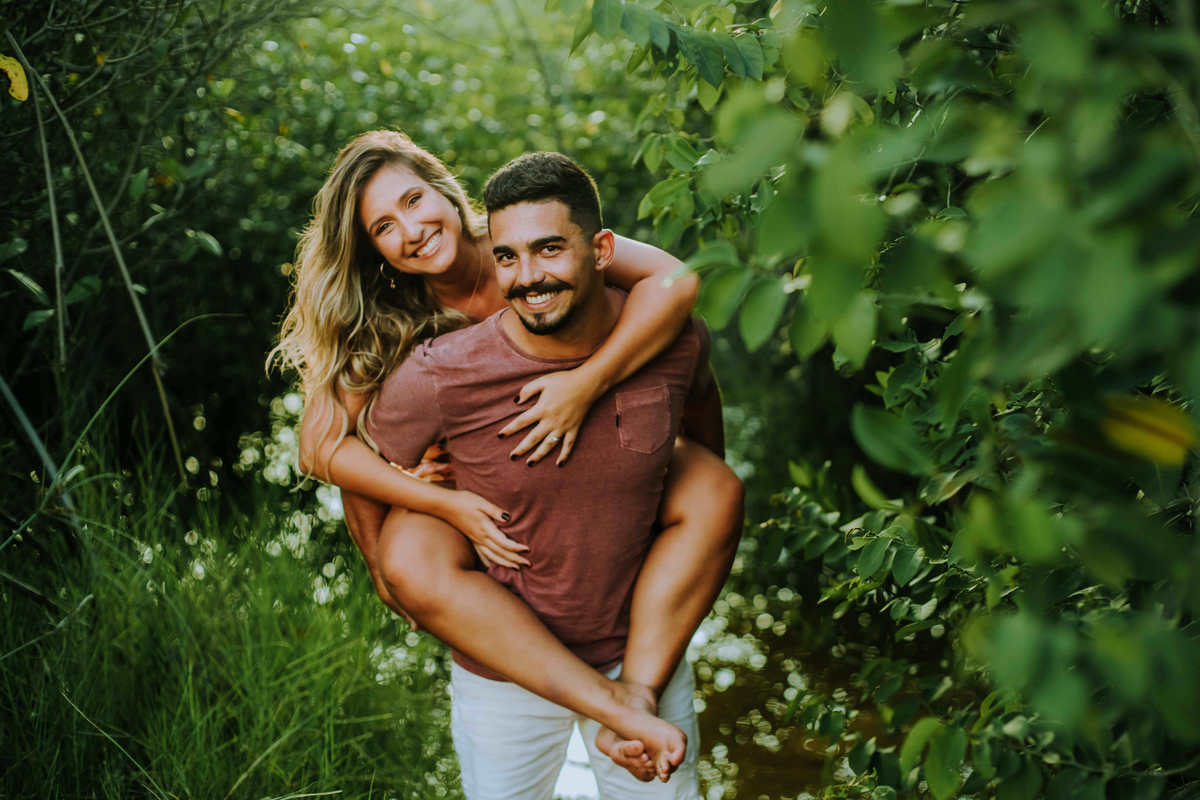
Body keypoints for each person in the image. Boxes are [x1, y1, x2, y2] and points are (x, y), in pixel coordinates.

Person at [269, 131, 742, 781]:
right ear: (373, 248)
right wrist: (400, 545)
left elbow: (676, 285)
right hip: (491, 497)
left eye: (413, 199)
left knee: (713, 486)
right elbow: (326, 451)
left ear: (445, 190)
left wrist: (587, 383)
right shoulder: (389, 322)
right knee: (414, 557)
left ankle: (629, 690)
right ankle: (611, 703)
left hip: (592, 478)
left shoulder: (522, 244)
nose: (410, 229)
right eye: (384, 225)